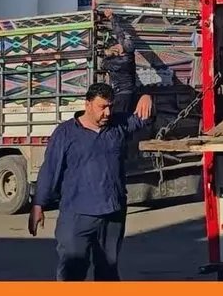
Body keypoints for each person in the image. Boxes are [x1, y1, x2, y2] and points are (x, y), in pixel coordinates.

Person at [29, 82, 154, 281]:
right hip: (77, 214)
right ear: (87, 104)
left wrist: (147, 97)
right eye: (102, 107)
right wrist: (38, 204)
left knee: (108, 270)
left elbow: (143, 117)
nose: (107, 113)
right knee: (72, 270)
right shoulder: (66, 133)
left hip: (112, 213)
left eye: (110, 107)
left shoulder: (117, 125)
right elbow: (50, 169)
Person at [99, 10, 138, 115]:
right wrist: (112, 17)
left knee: (119, 117)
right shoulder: (125, 53)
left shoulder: (123, 62)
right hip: (122, 92)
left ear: (122, 52)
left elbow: (103, 64)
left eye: (117, 47)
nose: (115, 46)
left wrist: (106, 53)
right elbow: (119, 33)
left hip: (123, 95)